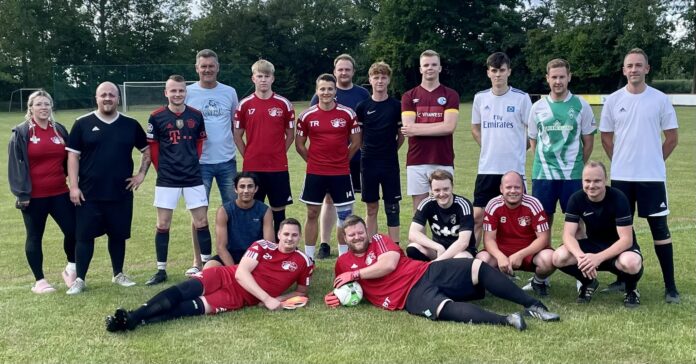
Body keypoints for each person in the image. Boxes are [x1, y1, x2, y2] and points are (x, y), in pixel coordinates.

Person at [324, 215, 559, 331]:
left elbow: (388, 265)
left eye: (360, 232)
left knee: (476, 266)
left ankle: (534, 305)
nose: (357, 237)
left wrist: (356, 275)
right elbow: (345, 288)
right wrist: (335, 296)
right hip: (406, 297)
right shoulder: (343, 262)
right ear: (344, 238)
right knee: (443, 308)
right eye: (351, 235)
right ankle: (507, 320)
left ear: (367, 231)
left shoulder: (378, 240)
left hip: (425, 271)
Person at [105, 218, 313, 332]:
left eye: (294, 235)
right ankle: (134, 315)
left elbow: (302, 292)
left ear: (299, 237)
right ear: (278, 234)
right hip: (225, 276)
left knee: (186, 309)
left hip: (238, 298)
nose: (289, 238)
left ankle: (133, 322)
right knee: (181, 291)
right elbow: (241, 273)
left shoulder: (304, 261)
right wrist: (267, 298)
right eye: (286, 234)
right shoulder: (262, 246)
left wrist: (279, 299)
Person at [599, 48, 680, 304]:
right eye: (629, 66)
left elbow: (672, 138)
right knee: (622, 229)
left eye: (638, 65)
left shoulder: (660, 99)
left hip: (652, 178)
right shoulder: (613, 100)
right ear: (624, 70)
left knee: (659, 228)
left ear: (647, 68)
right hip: (622, 178)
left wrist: (653, 160)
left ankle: (671, 287)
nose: (633, 69)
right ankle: (623, 278)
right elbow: (606, 138)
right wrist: (622, 161)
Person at [66, 81, 150, 294]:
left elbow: (147, 151)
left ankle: (118, 274)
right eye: (103, 95)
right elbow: (73, 157)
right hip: (88, 193)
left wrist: (141, 175)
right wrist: (74, 187)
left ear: (118, 98)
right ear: (96, 98)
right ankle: (80, 279)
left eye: (111, 95)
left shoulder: (130, 124)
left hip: (120, 192)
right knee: (84, 237)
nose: (107, 98)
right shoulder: (82, 123)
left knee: (118, 235)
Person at [144, 75, 212, 286]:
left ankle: (207, 267)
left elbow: (199, 143)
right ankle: (161, 270)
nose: (177, 94)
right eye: (173, 91)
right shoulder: (156, 117)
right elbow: (153, 148)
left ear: (186, 92)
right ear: (166, 93)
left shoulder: (196, 115)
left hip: (193, 176)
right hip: (167, 178)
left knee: (201, 221)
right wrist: (162, 169)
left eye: (181, 91)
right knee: (163, 224)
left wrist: (191, 162)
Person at [8, 90, 77, 293]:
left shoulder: (60, 130)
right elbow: (15, 165)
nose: (44, 108)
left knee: (74, 231)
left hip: (60, 193)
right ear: (30, 108)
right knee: (35, 236)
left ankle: (71, 269)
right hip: (34, 197)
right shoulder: (21, 132)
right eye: (39, 104)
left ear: (51, 107)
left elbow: (71, 159)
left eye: (47, 104)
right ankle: (40, 281)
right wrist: (22, 193)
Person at [552, 161, 643, 308]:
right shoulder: (576, 198)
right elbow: (568, 235)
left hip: (619, 247)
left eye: (597, 181)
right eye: (587, 181)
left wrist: (597, 258)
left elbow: (626, 240)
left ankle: (631, 290)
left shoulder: (619, 198)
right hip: (593, 244)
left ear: (605, 180)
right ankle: (588, 282)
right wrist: (581, 257)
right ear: (582, 181)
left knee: (631, 263)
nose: (591, 185)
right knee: (558, 257)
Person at [184, 49, 239, 276]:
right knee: (199, 214)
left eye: (211, 66)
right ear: (197, 68)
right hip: (199, 163)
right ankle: (198, 261)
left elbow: (236, 124)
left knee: (233, 211)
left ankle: (235, 256)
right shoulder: (187, 92)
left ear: (218, 67)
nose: (207, 69)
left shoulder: (229, 92)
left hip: (226, 160)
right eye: (203, 66)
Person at [296, 74, 362, 260]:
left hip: (340, 173)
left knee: (345, 216)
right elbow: (300, 145)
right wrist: (313, 161)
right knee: (312, 213)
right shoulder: (307, 115)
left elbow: (356, 143)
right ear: (317, 91)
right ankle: (308, 258)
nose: (326, 92)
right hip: (315, 172)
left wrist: (342, 160)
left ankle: (344, 257)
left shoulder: (347, 113)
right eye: (322, 89)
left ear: (335, 91)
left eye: (330, 89)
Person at [310, 54, 370, 259]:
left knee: (348, 203)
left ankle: (348, 246)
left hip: (354, 158)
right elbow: (312, 121)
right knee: (327, 200)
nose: (344, 72)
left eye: (347, 69)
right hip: (327, 163)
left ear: (353, 71)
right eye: (340, 69)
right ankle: (325, 244)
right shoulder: (322, 93)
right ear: (335, 72)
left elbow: (365, 127)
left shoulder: (362, 94)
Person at [471, 52, 532, 247]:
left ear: (509, 72)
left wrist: (517, 150)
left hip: (513, 169)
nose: (498, 75)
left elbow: (532, 132)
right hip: (487, 168)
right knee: (478, 216)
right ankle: (470, 258)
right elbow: (475, 128)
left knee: (518, 217)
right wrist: (489, 146)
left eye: (502, 70)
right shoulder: (480, 98)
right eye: (494, 71)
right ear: (488, 73)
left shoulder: (521, 98)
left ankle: (517, 260)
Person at [528, 58, 596, 229]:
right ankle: (543, 255)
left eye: (562, 77)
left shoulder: (582, 106)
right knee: (542, 222)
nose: (558, 81)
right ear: (547, 78)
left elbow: (588, 142)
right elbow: (533, 141)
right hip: (543, 174)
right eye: (554, 77)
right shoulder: (537, 107)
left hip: (572, 174)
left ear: (569, 77)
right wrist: (545, 162)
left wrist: (577, 163)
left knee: (577, 221)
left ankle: (578, 255)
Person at [233, 59, 295, 236]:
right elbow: (237, 135)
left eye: (266, 76)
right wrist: (249, 155)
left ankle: (281, 246)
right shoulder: (244, 104)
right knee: (253, 208)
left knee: (279, 209)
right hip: (253, 168)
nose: (263, 80)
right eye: (259, 76)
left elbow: (290, 135)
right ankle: (254, 247)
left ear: (272, 79)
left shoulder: (284, 104)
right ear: (253, 78)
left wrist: (278, 153)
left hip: (277, 167)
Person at [475, 171, 554, 296]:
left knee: (549, 258)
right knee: (481, 260)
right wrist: (500, 257)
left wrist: (521, 255)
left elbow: (543, 238)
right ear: (501, 189)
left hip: (529, 252)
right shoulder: (493, 205)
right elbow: (489, 239)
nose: (513, 191)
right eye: (508, 187)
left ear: (523, 188)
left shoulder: (533, 204)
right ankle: (497, 282)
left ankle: (538, 282)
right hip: (502, 251)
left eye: (517, 187)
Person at [400, 49, 459, 211]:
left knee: (444, 208)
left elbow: (449, 127)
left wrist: (418, 128)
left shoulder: (451, 95)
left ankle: (441, 238)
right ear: (420, 69)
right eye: (426, 65)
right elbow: (408, 128)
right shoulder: (409, 96)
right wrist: (439, 126)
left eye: (434, 64)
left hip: (443, 158)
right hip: (416, 160)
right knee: (419, 210)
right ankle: (418, 238)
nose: (430, 68)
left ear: (440, 68)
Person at [355, 61, 404, 243]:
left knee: (392, 206)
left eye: (383, 77)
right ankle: (371, 245)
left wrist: (389, 151)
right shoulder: (362, 107)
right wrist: (370, 151)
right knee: (371, 207)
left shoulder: (396, 106)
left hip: (390, 162)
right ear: (370, 79)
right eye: (376, 77)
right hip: (368, 162)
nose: (380, 81)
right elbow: (359, 138)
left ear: (389, 80)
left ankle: (395, 246)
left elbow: (401, 137)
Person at [203, 172, 274, 269]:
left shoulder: (265, 210)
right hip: (230, 256)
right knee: (209, 268)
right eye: (242, 186)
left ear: (256, 189)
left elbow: (268, 244)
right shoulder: (224, 211)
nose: (246, 190)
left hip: (255, 256)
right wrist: (235, 270)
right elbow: (221, 247)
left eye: (250, 186)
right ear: (235, 189)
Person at [407, 169, 476, 261]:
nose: (442, 194)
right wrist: (438, 247)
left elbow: (463, 242)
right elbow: (413, 234)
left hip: (460, 251)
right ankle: (427, 273)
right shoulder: (427, 203)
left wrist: (438, 261)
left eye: (446, 189)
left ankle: (437, 269)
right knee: (413, 247)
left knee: (460, 259)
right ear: (431, 190)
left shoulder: (463, 205)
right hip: (438, 250)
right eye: (437, 190)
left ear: (452, 187)